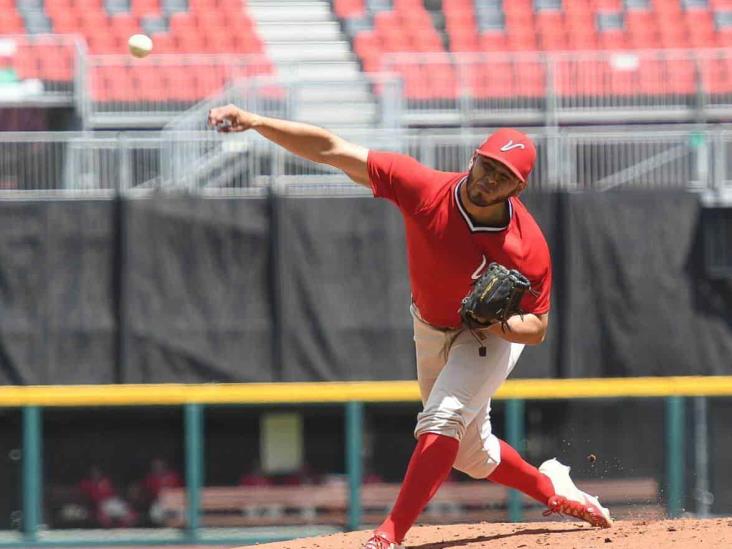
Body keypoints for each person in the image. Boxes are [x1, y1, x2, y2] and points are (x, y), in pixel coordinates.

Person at [207, 106, 613, 549]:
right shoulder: (425, 188)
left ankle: (391, 534)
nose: (489, 178)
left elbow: (537, 328)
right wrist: (257, 122)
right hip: (429, 326)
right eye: (487, 164)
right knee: (471, 455)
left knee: (442, 419)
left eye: (503, 175)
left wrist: (497, 321)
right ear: (473, 158)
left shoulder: (525, 245)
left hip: (485, 336)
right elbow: (331, 149)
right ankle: (553, 490)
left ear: (518, 187)